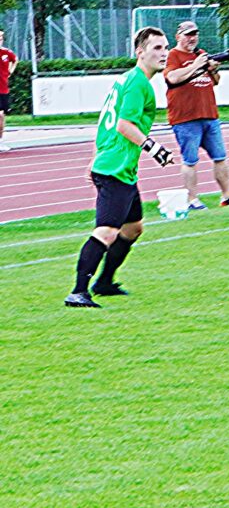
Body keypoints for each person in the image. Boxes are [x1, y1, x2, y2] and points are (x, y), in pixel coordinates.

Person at [64, 27, 177, 307]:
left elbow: (106, 123)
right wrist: (155, 148)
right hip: (115, 168)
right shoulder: (139, 84)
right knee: (106, 231)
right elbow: (123, 125)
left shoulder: (128, 79)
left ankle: (104, 282)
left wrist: (98, 155)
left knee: (133, 228)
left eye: (166, 48)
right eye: (157, 48)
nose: (164, 53)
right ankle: (78, 291)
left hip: (119, 166)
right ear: (140, 53)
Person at [164, 20, 229, 209]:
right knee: (190, 160)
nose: (192, 38)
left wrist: (213, 70)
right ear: (178, 37)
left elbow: (215, 81)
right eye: (188, 35)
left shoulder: (201, 54)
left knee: (220, 156)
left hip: (209, 113)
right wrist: (195, 65)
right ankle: (192, 199)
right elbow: (172, 78)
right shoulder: (173, 55)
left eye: (194, 34)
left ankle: (227, 195)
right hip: (185, 117)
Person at [0, 29, 16, 153]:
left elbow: (15, 60)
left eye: (1, 37)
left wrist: (10, 71)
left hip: (3, 89)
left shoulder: (6, 53)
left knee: (1, 115)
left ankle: (0, 140)